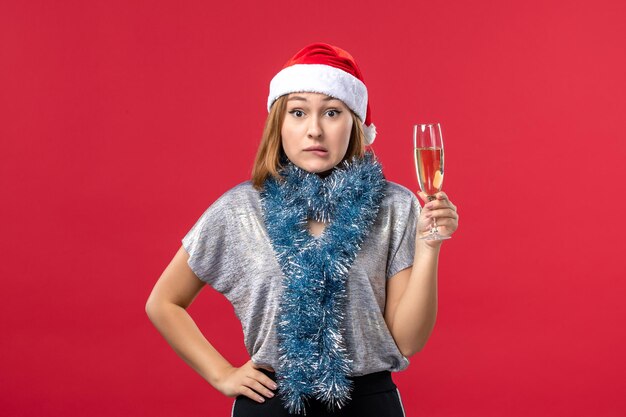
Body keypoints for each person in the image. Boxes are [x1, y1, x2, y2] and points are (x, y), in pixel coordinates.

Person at [146, 43, 459, 417]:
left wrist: (429, 246)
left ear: (355, 123)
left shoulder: (395, 205)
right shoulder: (240, 209)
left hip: (367, 404)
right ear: (279, 124)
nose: (314, 130)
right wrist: (221, 374)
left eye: (331, 112)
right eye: (298, 112)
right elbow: (163, 303)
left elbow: (408, 340)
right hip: (272, 403)